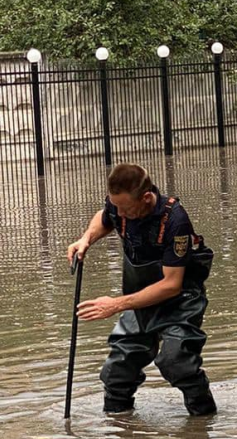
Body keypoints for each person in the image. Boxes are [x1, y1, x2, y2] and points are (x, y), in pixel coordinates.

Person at [67, 163, 217, 416]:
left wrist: (115, 305)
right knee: (118, 371)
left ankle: (203, 425)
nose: (121, 215)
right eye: (117, 208)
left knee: (176, 362)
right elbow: (104, 217)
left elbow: (171, 285)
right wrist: (86, 239)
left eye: (126, 209)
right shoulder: (119, 207)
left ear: (146, 198)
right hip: (139, 301)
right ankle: (121, 433)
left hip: (179, 303)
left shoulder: (175, 221)